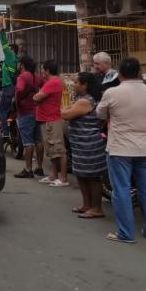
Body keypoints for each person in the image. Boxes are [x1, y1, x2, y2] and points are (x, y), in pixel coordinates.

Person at [97, 57, 146, 243]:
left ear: (120, 74)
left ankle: (125, 233)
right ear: (139, 72)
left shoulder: (112, 92)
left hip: (120, 149)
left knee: (121, 189)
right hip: (144, 148)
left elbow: (100, 113)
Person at [61, 72, 107, 218]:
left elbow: (66, 114)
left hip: (89, 144)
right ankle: (86, 205)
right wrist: (67, 109)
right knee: (81, 175)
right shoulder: (82, 99)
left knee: (92, 177)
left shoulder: (86, 101)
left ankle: (96, 208)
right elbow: (67, 110)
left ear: (85, 85)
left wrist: (65, 109)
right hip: (80, 144)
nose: (74, 85)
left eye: (76, 82)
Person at [34, 61, 69, 187]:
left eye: (43, 69)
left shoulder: (52, 82)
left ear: (47, 70)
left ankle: (63, 178)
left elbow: (36, 97)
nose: (42, 72)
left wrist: (36, 97)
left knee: (58, 150)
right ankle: (53, 175)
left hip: (52, 120)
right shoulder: (51, 82)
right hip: (47, 119)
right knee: (52, 150)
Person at [13, 56, 44, 178]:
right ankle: (39, 167)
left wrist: (20, 98)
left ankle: (28, 169)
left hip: (25, 112)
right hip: (36, 111)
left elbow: (19, 91)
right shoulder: (37, 76)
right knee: (38, 140)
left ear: (22, 65)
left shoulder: (22, 76)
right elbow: (44, 85)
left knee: (28, 142)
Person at [0, 18, 19, 137]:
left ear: (12, 50)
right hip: (12, 88)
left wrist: (1, 30)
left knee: (2, 111)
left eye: (9, 49)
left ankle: (5, 133)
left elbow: (4, 44)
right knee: (7, 110)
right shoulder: (15, 60)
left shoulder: (10, 56)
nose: (6, 50)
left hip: (8, 87)